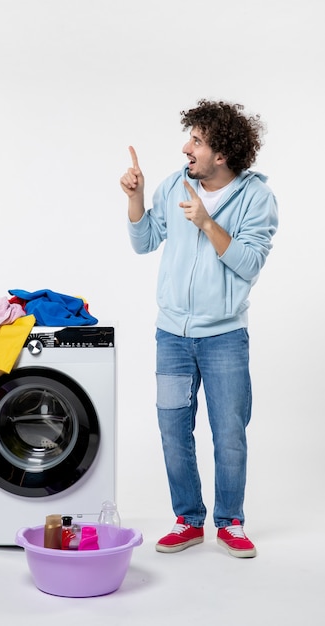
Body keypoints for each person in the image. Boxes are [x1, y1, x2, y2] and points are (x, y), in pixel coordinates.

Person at [120, 99, 278, 558]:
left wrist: (208, 224)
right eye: (190, 137)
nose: (186, 147)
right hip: (171, 335)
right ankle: (188, 520)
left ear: (222, 155)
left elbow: (248, 264)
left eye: (197, 141)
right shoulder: (174, 185)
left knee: (229, 431)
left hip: (225, 336)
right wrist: (135, 197)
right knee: (173, 429)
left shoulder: (256, 198)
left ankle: (230, 522)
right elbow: (145, 241)